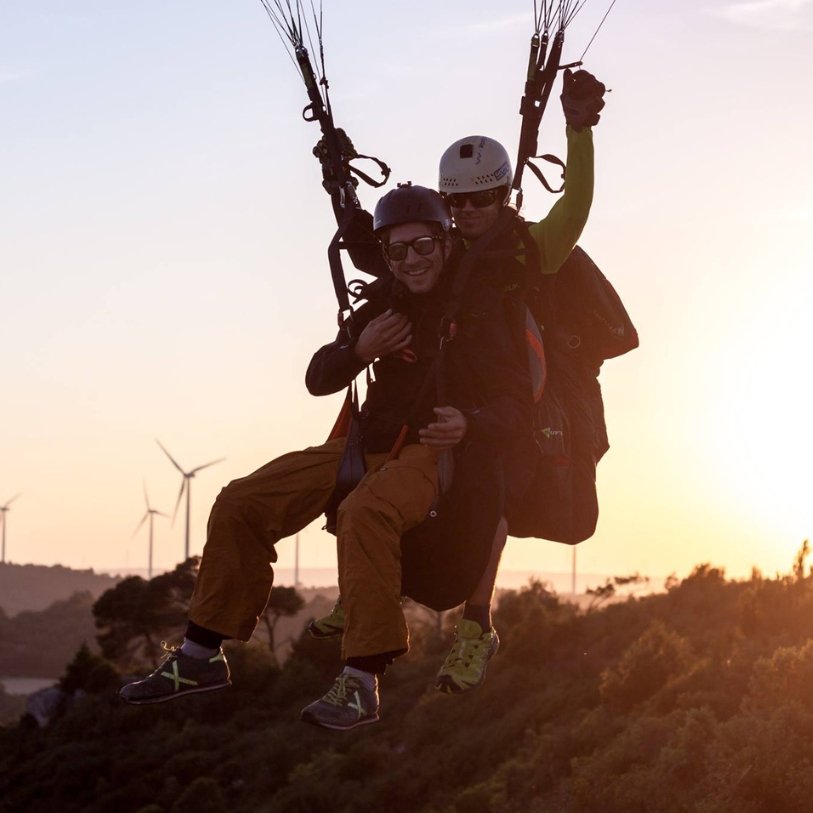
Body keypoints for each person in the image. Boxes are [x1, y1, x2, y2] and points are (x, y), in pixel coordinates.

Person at [120, 184, 534, 731]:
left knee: (367, 511)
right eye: (396, 250)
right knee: (242, 500)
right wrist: (359, 351)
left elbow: (518, 405)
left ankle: (362, 682)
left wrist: (469, 423)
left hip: (433, 454)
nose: (410, 260)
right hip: (363, 450)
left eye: (422, 246)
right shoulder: (384, 306)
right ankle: (200, 655)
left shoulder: (479, 308)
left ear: (446, 242)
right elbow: (318, 376)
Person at [308, 68, 608, 695]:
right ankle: (368, 594)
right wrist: (337, 177)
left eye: (483, 201)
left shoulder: (530, 248)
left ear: (503, 198)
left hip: (511, 389)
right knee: (358, 462)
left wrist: (577, 131)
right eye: (459, 202)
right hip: (445, 385)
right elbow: (377, 243)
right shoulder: (437, 243)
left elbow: (574, 208)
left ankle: (476, 626)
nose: (469, 212)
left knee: (489, 493)